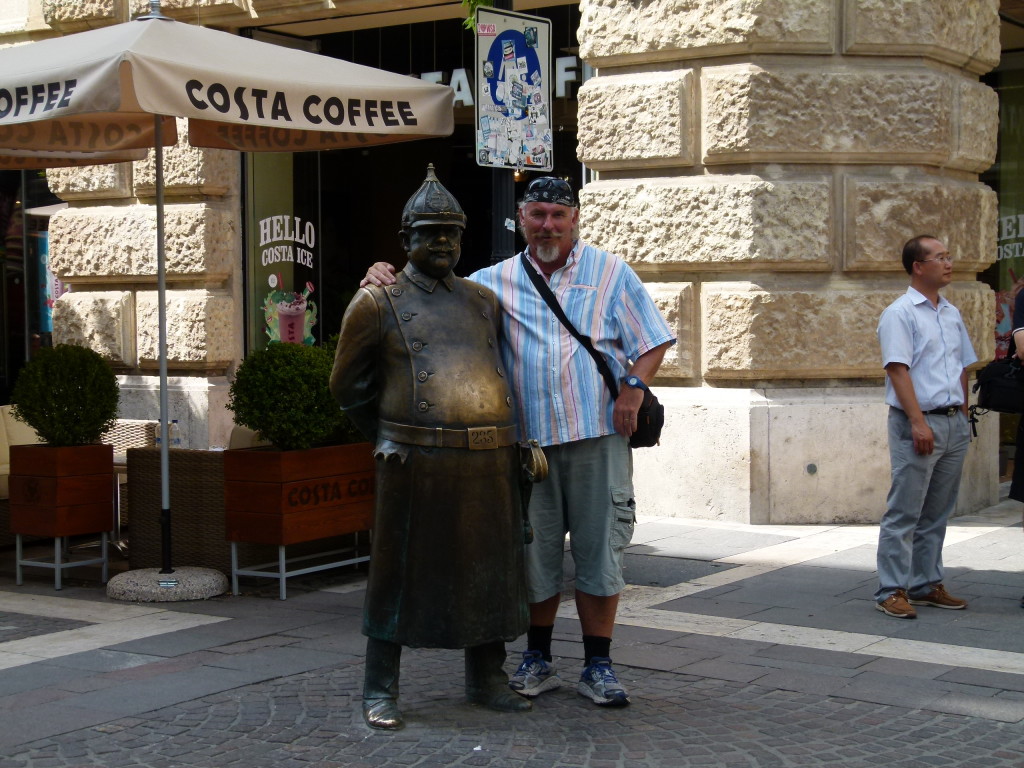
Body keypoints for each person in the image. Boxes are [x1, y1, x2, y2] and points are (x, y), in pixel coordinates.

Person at [362, 175, 675, 707]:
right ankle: (538, 657)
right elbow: (435, 294)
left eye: (558, 215)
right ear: (522, 220)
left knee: (600, 553)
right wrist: (379, 277)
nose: (548, 225)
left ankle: (598, 664)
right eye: (537, 215)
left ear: (575, 218)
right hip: (527, 448)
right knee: (533, 557)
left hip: (597, 435)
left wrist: (633, 391)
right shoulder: (492, 283)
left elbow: (653, 338)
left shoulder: (611, 272)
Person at [331, 165, 531, 730]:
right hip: (413, 461)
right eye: (429, 232)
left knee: (487, 568)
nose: (442, 242)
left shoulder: (482, 301)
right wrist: (391, 436)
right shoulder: (377, 303)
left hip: (487, 459)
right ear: (406, 240)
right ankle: (381, 687)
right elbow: (348, 387)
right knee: (396, 574)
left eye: (450, 232)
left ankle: (487, 675)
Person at [874, 234, 976, 619]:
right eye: (939, 257)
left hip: (952, 423)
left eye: (949, 256)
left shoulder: (949, 312)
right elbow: (897, 370)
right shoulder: (900, 313)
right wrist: (917, 422)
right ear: (918, 267)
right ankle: (890, 590)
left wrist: (963, 413)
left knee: (937, 511)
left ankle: (925, 583)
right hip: (917, 423)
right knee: (905, 511)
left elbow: (963, 365)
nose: (948, 263)